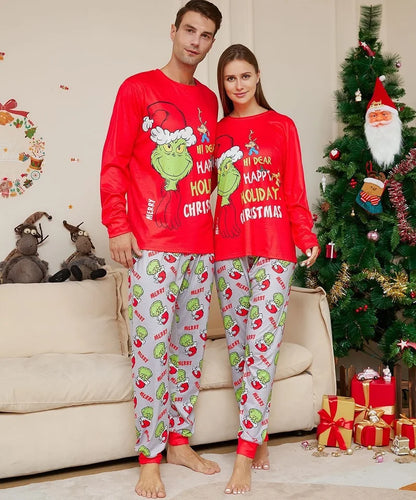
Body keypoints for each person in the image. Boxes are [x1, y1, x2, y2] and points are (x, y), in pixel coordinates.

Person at [100, 2, 222, 497]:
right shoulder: (137, 88)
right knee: (151, 352)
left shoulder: (211, 101)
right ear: (173, 32)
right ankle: (148, 457)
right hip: (151, 244)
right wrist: (116, 224)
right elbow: (114, 160)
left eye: (206, 35)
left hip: (202, 244)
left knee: (188, 349)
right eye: (189, 30)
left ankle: (178, 442)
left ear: (212, 42)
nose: (195, 40)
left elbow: (215, 171)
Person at [213, 44, 319, 495]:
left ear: (258, 77)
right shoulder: (215, 132)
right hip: (226, 249)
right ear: (223, 84)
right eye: (230, 79)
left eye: (245, 76)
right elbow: (205, 197)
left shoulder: (281, 126)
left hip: (275, 249)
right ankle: (257, 439)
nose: (238, 86)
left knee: (261, 344)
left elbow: (293, 188)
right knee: (240, 347)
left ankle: (243, 452)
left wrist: (306, 235)